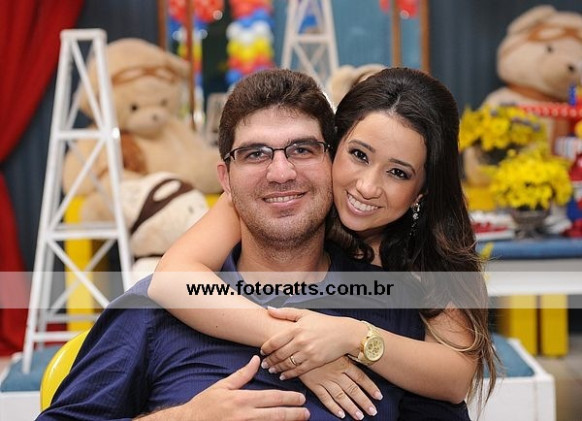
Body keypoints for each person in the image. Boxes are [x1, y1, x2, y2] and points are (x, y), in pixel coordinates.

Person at [37, 69, 463, 421]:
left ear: (329, 160)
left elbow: (453, 378)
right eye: (255, 154)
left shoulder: (394, 311)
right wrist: (184, 418)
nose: (281, 173)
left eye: (302, 149)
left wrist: (355, 338)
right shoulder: (153, 310)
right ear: (225, 179)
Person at [149, 67, 498, 417]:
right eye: (359, 155)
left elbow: (454, 377)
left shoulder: (432, 252)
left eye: (398, 172)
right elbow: (171, 278)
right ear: (333, 146)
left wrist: (353, 337)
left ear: (422, 190)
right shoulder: (281, 199)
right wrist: (299, 346)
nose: (367, 186)